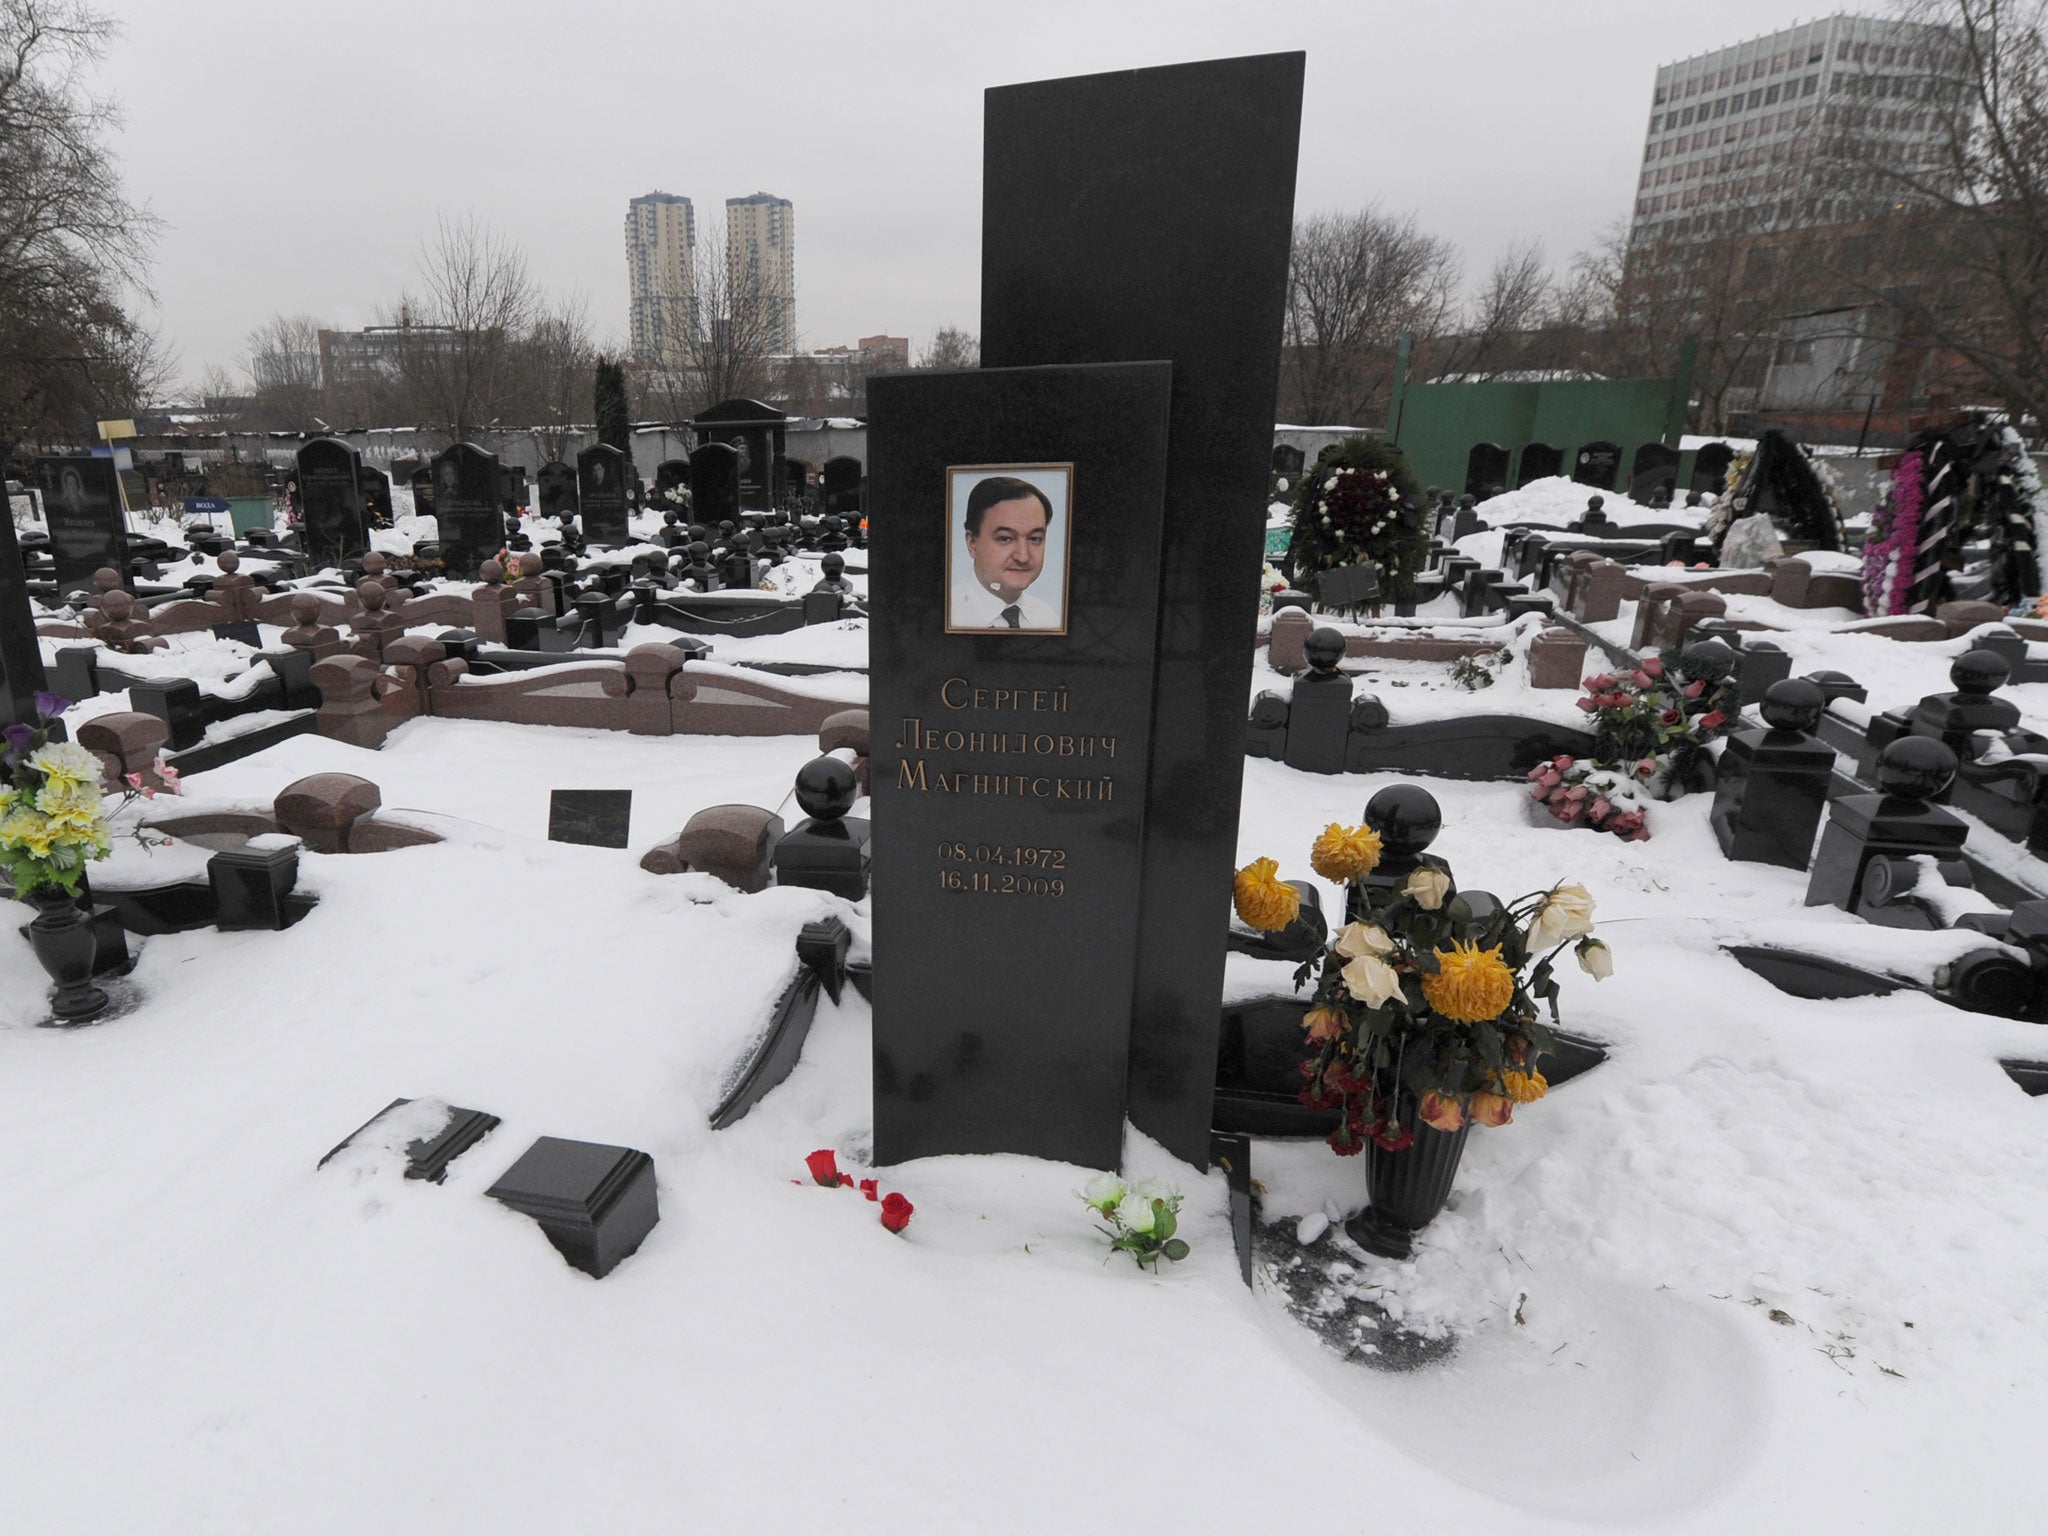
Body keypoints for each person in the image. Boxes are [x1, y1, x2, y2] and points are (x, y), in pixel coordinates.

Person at [949, 474, 1060, 631]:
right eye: (1005, 539)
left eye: (1035, 539)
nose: (1023, 556)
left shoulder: (1048, 618)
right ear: (972, 543)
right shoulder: (948, 615)